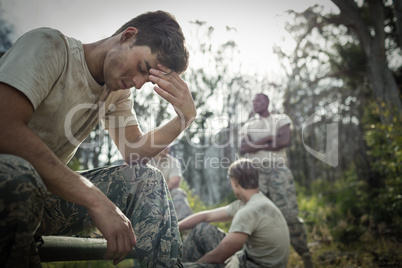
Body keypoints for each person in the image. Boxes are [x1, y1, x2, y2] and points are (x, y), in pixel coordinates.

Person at [0, 10, 196, 267]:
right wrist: (96, 200)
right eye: (142, 68)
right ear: (127, 36)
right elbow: (5, 127)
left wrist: (184, 119)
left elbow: (133, 153)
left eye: (147, 80)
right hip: (9, 183)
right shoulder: (50, 46)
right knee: (19, 173)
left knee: (147, 180)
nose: (138, 84)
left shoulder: (117, 93)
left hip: (43, 199)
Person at [239, 93, 314, 268]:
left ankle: (305, 255)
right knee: (255, 215)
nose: (255, 103)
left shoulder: (281, 119)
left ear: (267, 102)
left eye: (258, 100)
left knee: (289, 214)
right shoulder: (249, 125)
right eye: (253, 101)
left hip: (277, 170)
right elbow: (243, 147)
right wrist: (268, 139)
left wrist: (256, 144)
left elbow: (283, 141)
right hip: (254, 173)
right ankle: (259, 261)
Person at [179, 159, 290, 268]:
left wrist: (196, 264)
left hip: (253, 264)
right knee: (201, 229)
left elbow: (219, 256)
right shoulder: (253, 202)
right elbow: (206, 216)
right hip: (247, 258)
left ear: (235, 181)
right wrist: (174, 227)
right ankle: (175, 260)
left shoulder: (249, 211)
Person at [149, 146, 193, 220]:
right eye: (163, 144)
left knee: (178, 192)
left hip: (166, 194)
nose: (167, 147)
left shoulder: (173, 162)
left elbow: (174, 182)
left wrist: (158, 192)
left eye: (168, 144)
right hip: (146, 194)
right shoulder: (144, 160)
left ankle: (186, 223)